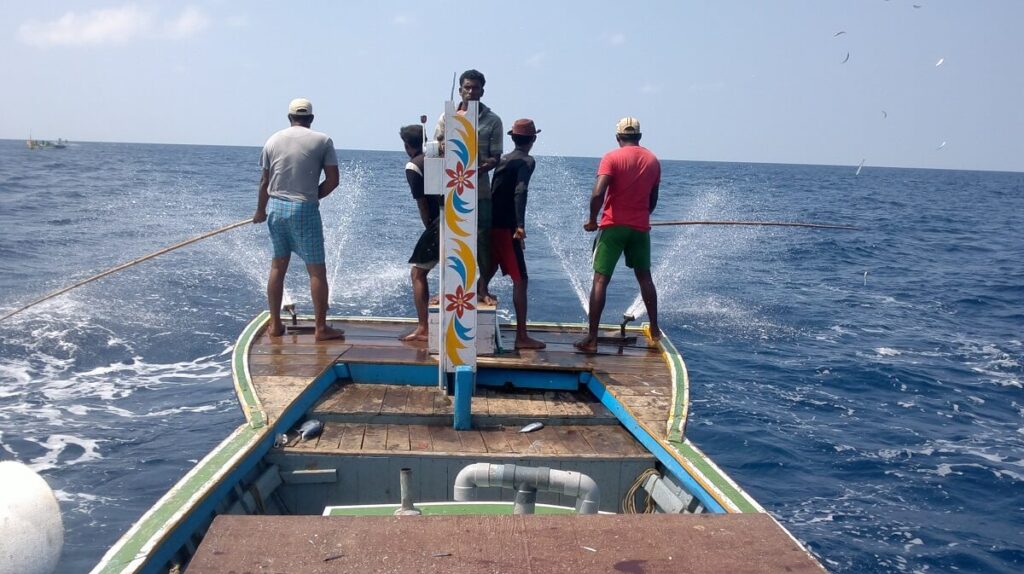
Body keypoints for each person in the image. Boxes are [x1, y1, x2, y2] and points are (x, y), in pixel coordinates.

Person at [252, 98, 343, 341]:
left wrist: (260, 211)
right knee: (316, 270)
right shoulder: (323, 140)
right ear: (311, 119)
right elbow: (333, 180)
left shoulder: (272, 140)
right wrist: (313, 197)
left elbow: (265, 182)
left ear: (289, 117)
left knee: (277, 267)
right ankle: (321, 329)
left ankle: (275, 325)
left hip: (276, 209)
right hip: (304, 208)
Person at [575, 117, 661, 353]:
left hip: (612, 227)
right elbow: (653, 199)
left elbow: (597, 193)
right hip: (640, 229)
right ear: (640, 137)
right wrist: (642, 216)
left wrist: (593, 220)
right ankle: (654, 328)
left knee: (600, 280)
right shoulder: (653, 160)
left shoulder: (611, 157)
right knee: (645, 278)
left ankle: (592, 337)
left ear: (617, 137)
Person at [434, 69, 503, 304]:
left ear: (483, 90)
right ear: (460, 89)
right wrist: (444, 148)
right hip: (452, 190)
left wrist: (475, 170)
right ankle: (447, 288)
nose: (471, 91)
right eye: (467, 87)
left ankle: (482, 288)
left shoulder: (493, 120)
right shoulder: (447, 117)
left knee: (483, 240)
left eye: (475, 88)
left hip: (481, 192)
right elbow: (436, 147)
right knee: (449, 239)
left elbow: (496, 157)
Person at [484, 119, 546, 350]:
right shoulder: (527, 161)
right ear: (533, 139)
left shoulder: (503, 160)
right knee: (521, 280)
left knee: (492, 263)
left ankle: (481, 291)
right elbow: (520, 191)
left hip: (493, 222)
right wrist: (520, 226)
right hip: (508, 226)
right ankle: (522, 336)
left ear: (513, 138)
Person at [398, 124, 439, 342]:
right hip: (452, 219)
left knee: (418, 274)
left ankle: (423, 327)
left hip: (436, 223)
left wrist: (429, 228)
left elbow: (422, 203)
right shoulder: (435, 160)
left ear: (406, 145)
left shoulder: (414, 166)